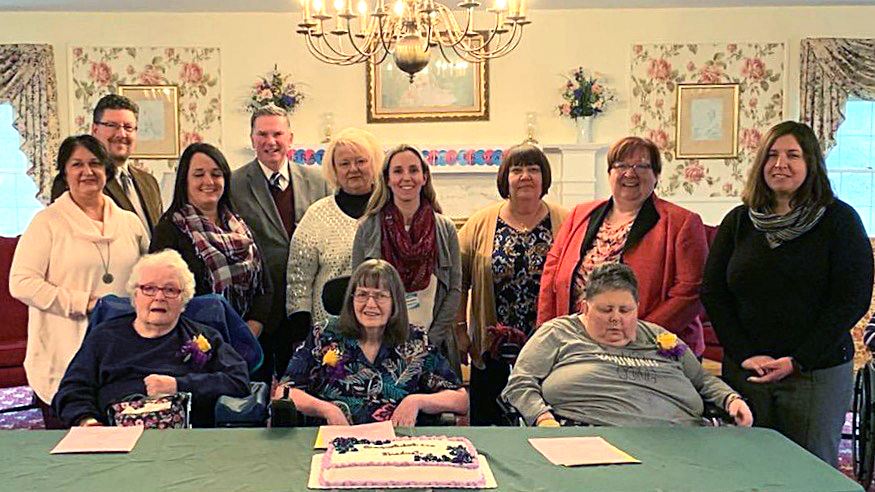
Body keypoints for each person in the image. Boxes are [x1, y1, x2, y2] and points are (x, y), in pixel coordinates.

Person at [701, 120, 873, 466]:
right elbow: (714, 292)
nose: (781, 164)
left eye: (793, 155)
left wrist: (799, 360)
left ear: (811, 163)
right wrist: (743, 353)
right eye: (772, 156)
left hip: (814, 373)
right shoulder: (738, 222)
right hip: (749, 372)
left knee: (809, 473)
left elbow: (851, 299)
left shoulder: (839, 221)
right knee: (747, 469)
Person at [503, 263, 753, 428]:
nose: (616, 318)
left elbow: (701, 380)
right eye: (605, 309)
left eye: (625, 310)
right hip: (588, 436)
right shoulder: (559, 333)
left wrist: (732, 400)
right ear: (585, 307)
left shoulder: (658, 336)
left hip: (682, 437)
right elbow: (520, 382)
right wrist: (542, 418)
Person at [10, 135, 149, 428]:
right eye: (77, 164)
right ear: (65, 172)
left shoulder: (129, 222)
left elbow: (146, 277)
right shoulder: (46, 222)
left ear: (107, 169)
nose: (87, 171)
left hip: (123, 352)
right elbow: (21, 282)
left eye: (95, 163)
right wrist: (81, 302)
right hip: (66, 345)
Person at [538, 136, 709, 356]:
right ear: (610, 173)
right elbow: (550, 277)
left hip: (652, 348)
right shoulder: (580, 215)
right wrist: (546, 334)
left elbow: (690, 292)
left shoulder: (682, 222)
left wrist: (635, 337)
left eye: (641, 166)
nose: (630, 173)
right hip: (577, 344)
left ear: (656, 175)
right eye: (621, 165)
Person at [52, 250, 250, 428]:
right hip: (113, 438)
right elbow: (72, 390)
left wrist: (178, 385)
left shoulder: (204, 337)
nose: (159, 297)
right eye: (149, 288)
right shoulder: (104, 337)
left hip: (185, 442)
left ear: (184, 299)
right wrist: (88, 422)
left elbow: (238, 381)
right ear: (135, 295)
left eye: (171, 290)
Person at [275, 259, 467, 426]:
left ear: (395, 302)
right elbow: (284, 392)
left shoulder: (415, 341)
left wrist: (416, 401)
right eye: (362, 295)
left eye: (381, 296)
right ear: (352, 299)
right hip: (336, 443)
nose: (370, 304)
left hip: (397, 448)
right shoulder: (325, 335)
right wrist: (327, 410)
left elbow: (460, 399)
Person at [455, 144, 568, 425]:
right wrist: (459, 331)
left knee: (546, 422)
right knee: (490, 422)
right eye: (516, 170)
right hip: (492, 344)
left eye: (533, 169)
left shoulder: (566, 221)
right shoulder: (480, 223)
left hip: (548, 346)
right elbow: (459, 280)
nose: (525, 176)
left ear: (545, 178)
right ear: (505, 178)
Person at [230, 104, 331, 380]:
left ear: (290, 138)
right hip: (259, 307)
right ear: (252, 139)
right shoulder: (234, 184)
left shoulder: (318, 180)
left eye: (277, 133)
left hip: (306, 305)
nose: (270, 142)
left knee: (304, 381)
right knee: (256, 384)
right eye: (262, 134)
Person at [352, 144, 462, 375]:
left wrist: (428, 341)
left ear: (424, 177)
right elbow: (359, 292)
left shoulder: (446, 228)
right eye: (398, 171)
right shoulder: (367, 228)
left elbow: (454, 290)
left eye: (413, 170)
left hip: (435, 344)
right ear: (388, 179)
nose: (406, 178)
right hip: (381, 346)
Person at [150, 143, 269, 337]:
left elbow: (265, 287)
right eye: (198, 174)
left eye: (216, 174)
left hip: (248, 343)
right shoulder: (169, 230)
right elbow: (160, 295)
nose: (209, 181)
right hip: (193, 344)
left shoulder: (241, 227)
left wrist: (250, 330)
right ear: (184, 181)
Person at [286, 128, 383, 328]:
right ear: (334, 170)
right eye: (344, 163)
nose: (353, 169)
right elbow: (298, 279)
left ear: (374, 163)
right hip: (329, 328)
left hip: (384, 325)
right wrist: (300, 326)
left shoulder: (389, 210)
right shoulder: (317, 215)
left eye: (361, 161)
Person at [51, 94, 163, 236]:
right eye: (112, 125)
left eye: (128, 127)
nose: (121, 134)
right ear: (95, 130)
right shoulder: (78, 181)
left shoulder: (149, 182)